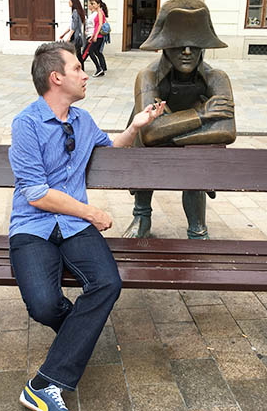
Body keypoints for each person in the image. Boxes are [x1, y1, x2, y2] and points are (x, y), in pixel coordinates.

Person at [9, 41, 164, 411]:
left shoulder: (83, 120)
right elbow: (36, 194)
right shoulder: (26, 124)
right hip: (33, 227)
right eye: (78, 68)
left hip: (74, 229)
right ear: (56, 77)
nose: (85, 74)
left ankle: (43, 384)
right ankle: (77, 339)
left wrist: (137, 126)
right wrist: (92, 212)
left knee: (108, 282)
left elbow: (112, 146)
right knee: (44, 306)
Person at [122, 0, 235, 240]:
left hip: (190, 146)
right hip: (149, 146)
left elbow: (227, 130)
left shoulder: (217, 78)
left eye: (194, 46)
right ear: (165, 46)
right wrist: (202, 115)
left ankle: (197, 227)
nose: (186, 52)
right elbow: (149, 133)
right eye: (178, 45)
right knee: (144, 140)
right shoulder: (148, 76)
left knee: (194, 155)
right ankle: (142, 214)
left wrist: (171, 134)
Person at [59, 0, 86, 70]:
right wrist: (64, 34)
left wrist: (69, 37)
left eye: (69, 1)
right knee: (77, 54)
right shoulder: (77, 11)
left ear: (73, 2)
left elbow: (74, 27)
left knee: (72, 53)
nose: (68, 2)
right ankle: (80, 68)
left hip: (75, 37)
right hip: (77, 36)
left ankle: (76, 68)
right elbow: (71, 26)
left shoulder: (75, 12)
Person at [86, 0, 108, 77]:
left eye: (94, 4)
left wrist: (95, 35)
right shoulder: (99, 12)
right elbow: (96, 26)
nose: (93, 5)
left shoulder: (100, 12)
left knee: (91, 52)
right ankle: (101, 69)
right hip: (97, 35)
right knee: (96, 52)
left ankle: (99, 69)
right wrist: (93, 35)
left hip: (99, 36)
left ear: (98, 4)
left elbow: (100, 24)